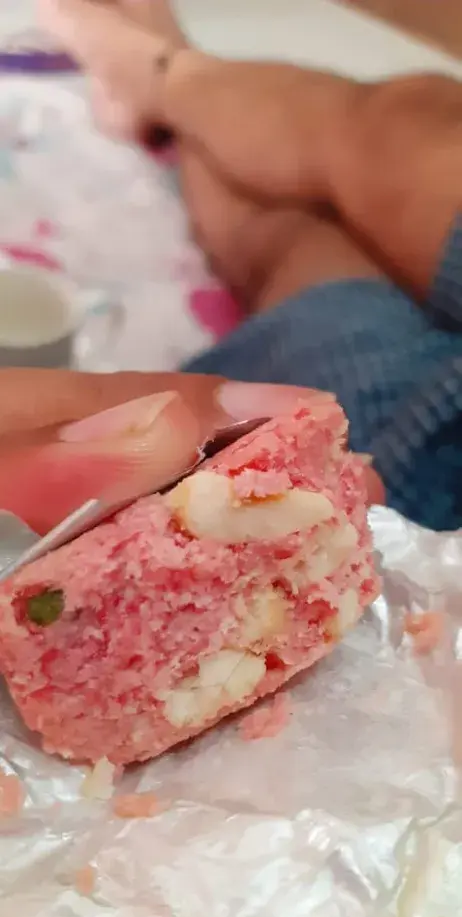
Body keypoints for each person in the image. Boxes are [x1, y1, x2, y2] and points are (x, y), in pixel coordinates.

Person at [2, 0, 461, 536]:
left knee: (286, 239)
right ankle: (162, 74)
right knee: (402, 129)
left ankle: (162, 75)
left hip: (424, 478)